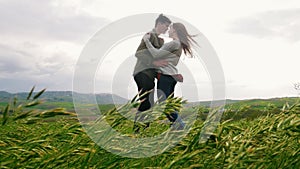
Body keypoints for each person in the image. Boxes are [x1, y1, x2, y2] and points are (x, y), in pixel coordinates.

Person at [143, 22, 198, 129]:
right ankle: (177, 129)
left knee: (165, 106)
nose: (168, 30)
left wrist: (146, 40)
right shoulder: (178, 44)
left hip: (166, 77)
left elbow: (156, 54)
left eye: (170, 28)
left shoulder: (174, 43)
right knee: (169, 105)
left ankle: (181, 127)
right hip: (170, 77)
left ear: (175, 30)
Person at [133, 14, 172, 133]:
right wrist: (154, 63)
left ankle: (142, 131)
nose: (167, 29)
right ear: (159, 24)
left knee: (149, 104)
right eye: (166, 26)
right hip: (142, 73)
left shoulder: (160, 40)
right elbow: (139, 53)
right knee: (147, 103)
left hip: (150, 75)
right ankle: (137, 132)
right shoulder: (149, 35)